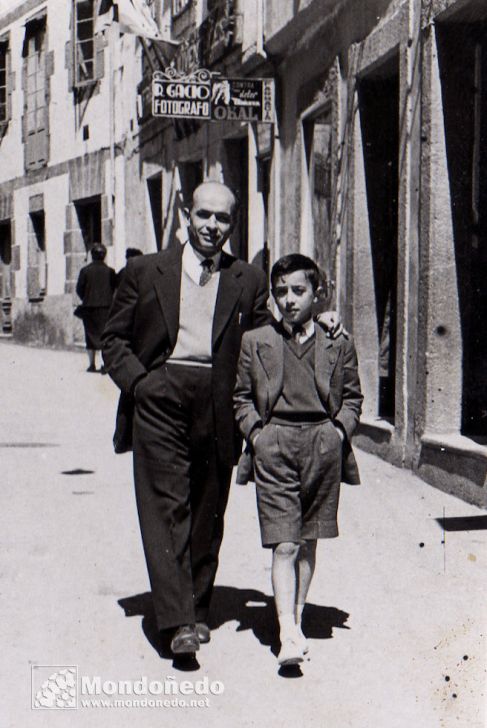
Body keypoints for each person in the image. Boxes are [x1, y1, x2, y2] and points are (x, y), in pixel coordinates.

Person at [101, 181, 270, 656]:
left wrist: (320, 323)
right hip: (159, 396)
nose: (211, 227)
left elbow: (263, 347)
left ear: (233, 224)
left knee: (207, 508)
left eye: (222, 219)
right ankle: (176, 623)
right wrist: (140, 383)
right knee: (165, 507)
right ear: (185, 213)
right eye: (203, 216)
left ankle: (197, 608)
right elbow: (113, 339)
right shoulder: (144, 270)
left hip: (218, 401)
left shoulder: (248, 280)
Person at [233, 253, 363, 667]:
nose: (289, 300)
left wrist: (339, 431)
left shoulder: (337, 341)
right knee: (284, 542)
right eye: (281, 292)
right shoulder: (256, 341)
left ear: (316, 294)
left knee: (308, 540)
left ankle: (296, 617)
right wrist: (256, 434)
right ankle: (287, 632)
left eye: (299, 291)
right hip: (274, 448)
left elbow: (354, 397)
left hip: (322, 446)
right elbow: (240, 397)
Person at [76, 243, 117, 373]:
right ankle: (105, 365)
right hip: (106, 308)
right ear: (104, 256)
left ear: (92, 255)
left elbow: (79, 289)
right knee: (105, 336)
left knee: (90, 335)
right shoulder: (110, 271)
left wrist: (87, 298)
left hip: (89, 308)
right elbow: (114, 288)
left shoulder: (85, 271)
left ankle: (92, 364)